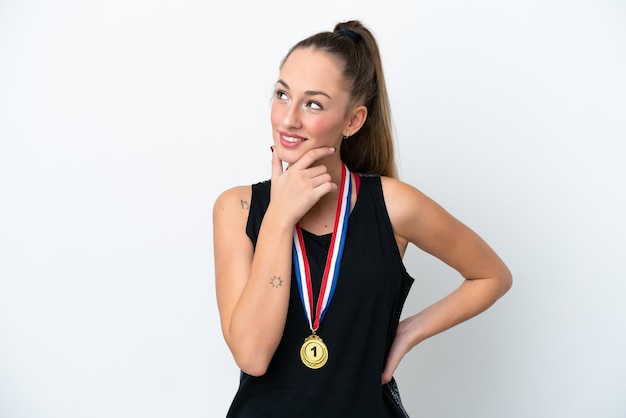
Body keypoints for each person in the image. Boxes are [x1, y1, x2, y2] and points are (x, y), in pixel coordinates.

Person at [213, 20, 512, 418]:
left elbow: (492, 276)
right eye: (282, 95)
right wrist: (279, 218)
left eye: (313, 103)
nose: (288, 119)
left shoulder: (393, 206)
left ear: (353, 121)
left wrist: (407, 332)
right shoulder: (237, 209)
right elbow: (252, 356)